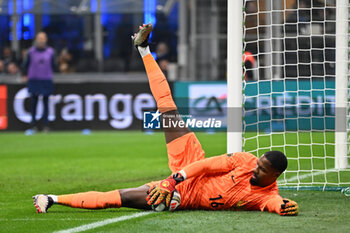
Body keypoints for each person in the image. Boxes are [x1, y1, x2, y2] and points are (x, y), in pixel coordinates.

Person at [32, 24, 299, 216]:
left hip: (182, 196)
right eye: (259, 164)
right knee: (167, 107)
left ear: (274, 176)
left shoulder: (265, 195)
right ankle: (144, 49)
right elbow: (207, 165)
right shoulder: (245, 161)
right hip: (189, 164)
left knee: (117, 198)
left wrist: (284, 206)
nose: (255, 169)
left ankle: (51, 198)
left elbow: (274, 204)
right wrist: (175, 178)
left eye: (262, 170)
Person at [22, 32, 55, 133]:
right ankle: (33, 125)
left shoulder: (51, 52)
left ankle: (46, 125)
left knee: (46, 102)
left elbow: (54, 65)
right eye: (39, 38)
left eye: (43, 38)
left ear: (46, 39)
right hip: (34, 79)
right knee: (33, 102)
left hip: (46, 79)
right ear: (36, 39)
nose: (41, 40)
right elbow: (25, 65)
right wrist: (24, 75)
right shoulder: (31, 52)